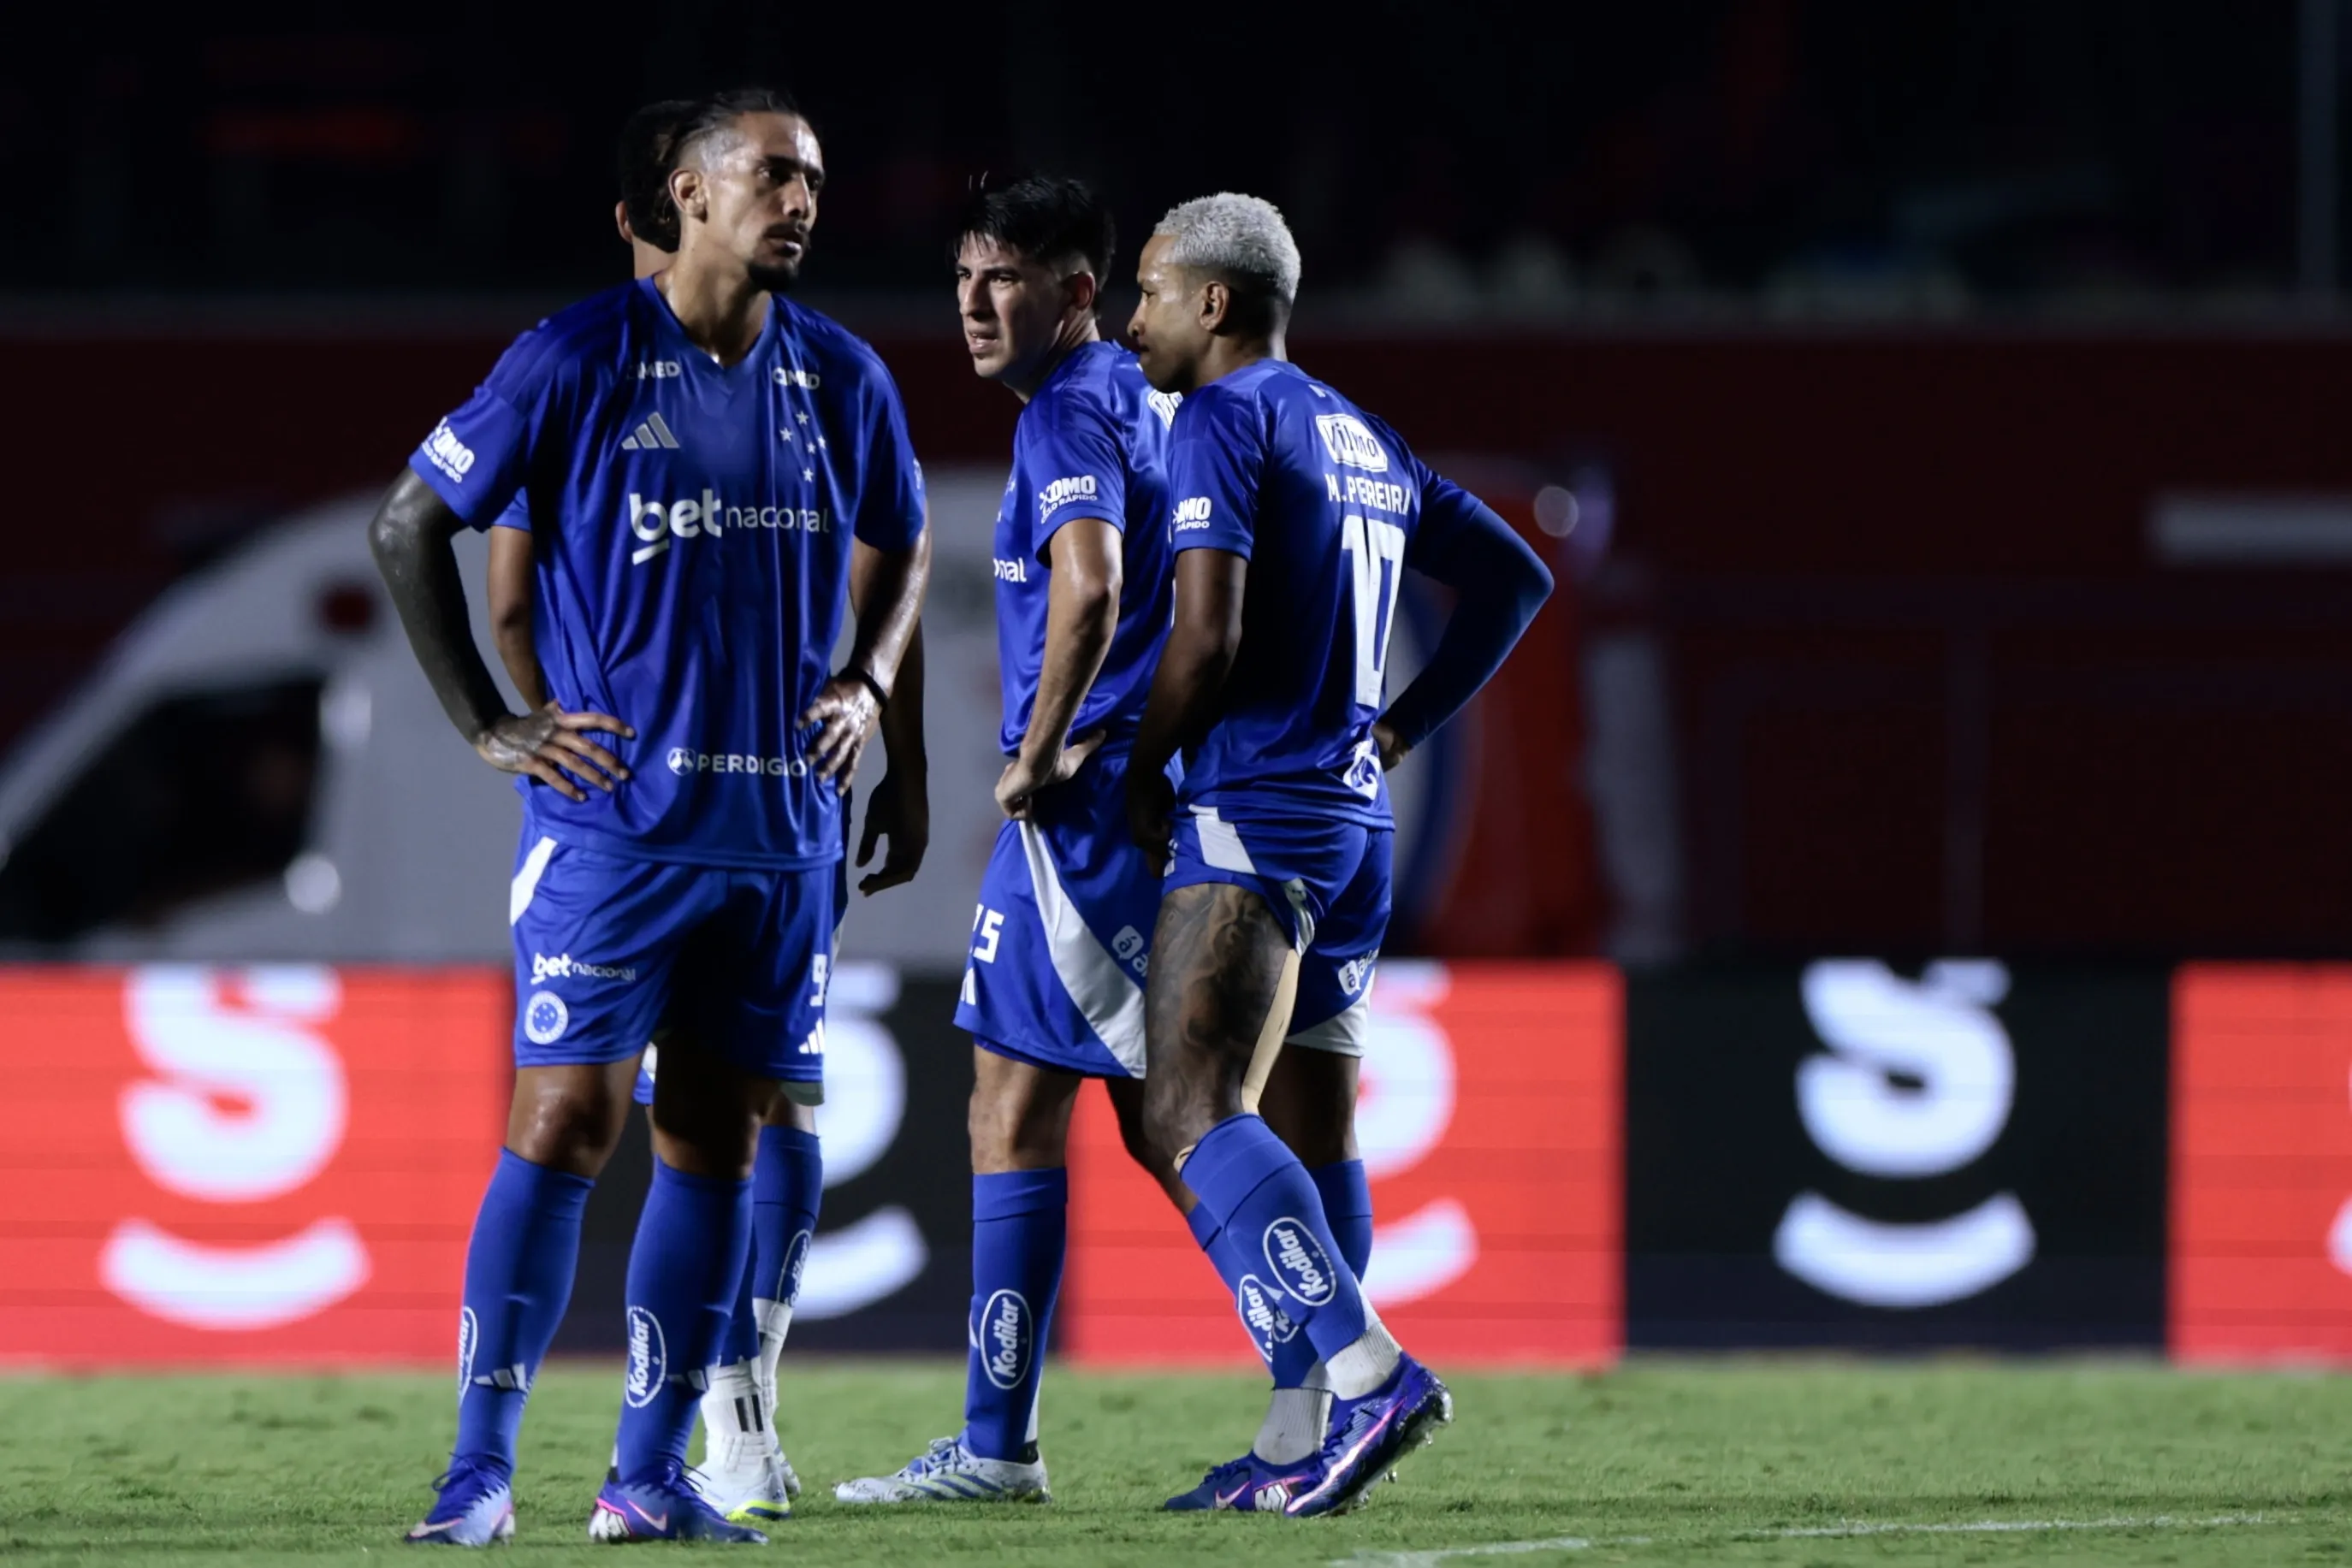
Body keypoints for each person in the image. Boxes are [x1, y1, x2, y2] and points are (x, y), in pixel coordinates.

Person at [371, 86, 930, 1546]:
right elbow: (409, 524)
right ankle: (479, 1473)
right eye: (771, 174)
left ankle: (647, 1471)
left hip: (783, 838)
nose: (801, 197)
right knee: (563, 1122)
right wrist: (493, 724)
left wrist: (871, 685)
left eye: (814, 175)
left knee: (714, 1145)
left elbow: (910, 540)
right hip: (617, 829)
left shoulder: (847, 377)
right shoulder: (574, 356)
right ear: (685, 194)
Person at [1123, 192, 1554, 1517]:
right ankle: (1298, 1435)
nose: (1131, 318)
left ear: (1213, 302)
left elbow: (1205, 633)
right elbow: (1515, 580)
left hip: (1258, 806)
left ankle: (1369, 1376)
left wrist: (1138, 767)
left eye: (1146, 289)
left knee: (1187, 1109)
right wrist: (1405, 731)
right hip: (1356, 824)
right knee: (1311, 1132)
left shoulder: (1221, 417)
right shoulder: (1360, 432)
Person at [834, 175, 1184, 1506]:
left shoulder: (1076, 410)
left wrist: (1039, 752)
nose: (975, 305)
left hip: (1082, 821)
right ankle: (1331, 1366)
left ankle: (1002, 1445)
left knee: (1041, 1105)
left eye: (1005, 279)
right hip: (1135, 805)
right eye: (964, 277)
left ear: (1078, 292)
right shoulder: (1146, 408)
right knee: (1152, 1114)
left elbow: (1088, 587)